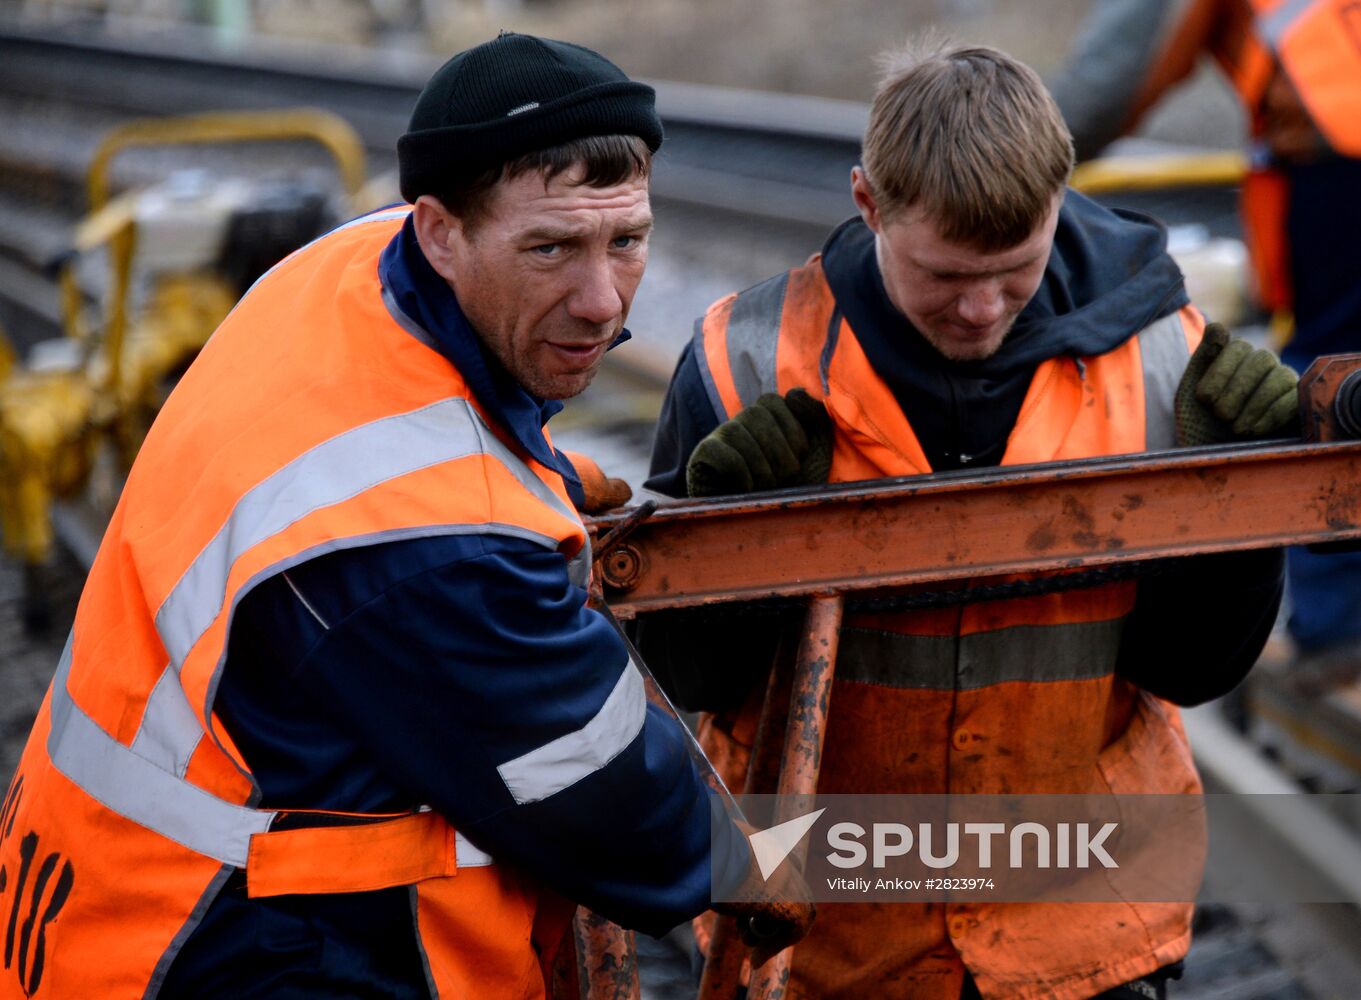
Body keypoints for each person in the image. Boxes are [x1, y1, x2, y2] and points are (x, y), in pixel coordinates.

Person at [0, 33, 808, 999]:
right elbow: (637, 829)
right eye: (549, 248)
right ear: (438, 232)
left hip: (101, 894)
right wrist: (872, 860)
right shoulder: (420, 553)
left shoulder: (343, 270)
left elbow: (418, 431)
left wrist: (547, 479)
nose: (602, 302)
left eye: (625, 240)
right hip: (232, 951)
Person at [644, 42, 1293, 999]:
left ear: (1057, 201)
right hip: (820, 933)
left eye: (1015, 269)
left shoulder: (1160, 361)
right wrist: (727, 532)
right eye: (944, 276)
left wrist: (1242, 514)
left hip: (1083, 926)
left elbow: (1190, 670)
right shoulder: (746, 364)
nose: (981, 309)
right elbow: (694, 679)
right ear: (869, 205)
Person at [1052, 0, 1361, 682]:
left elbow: (1116, 71)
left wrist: (1020, 164)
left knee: (1332, 378)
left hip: (1339, 133)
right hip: (1337, 125)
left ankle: (1338, 628)